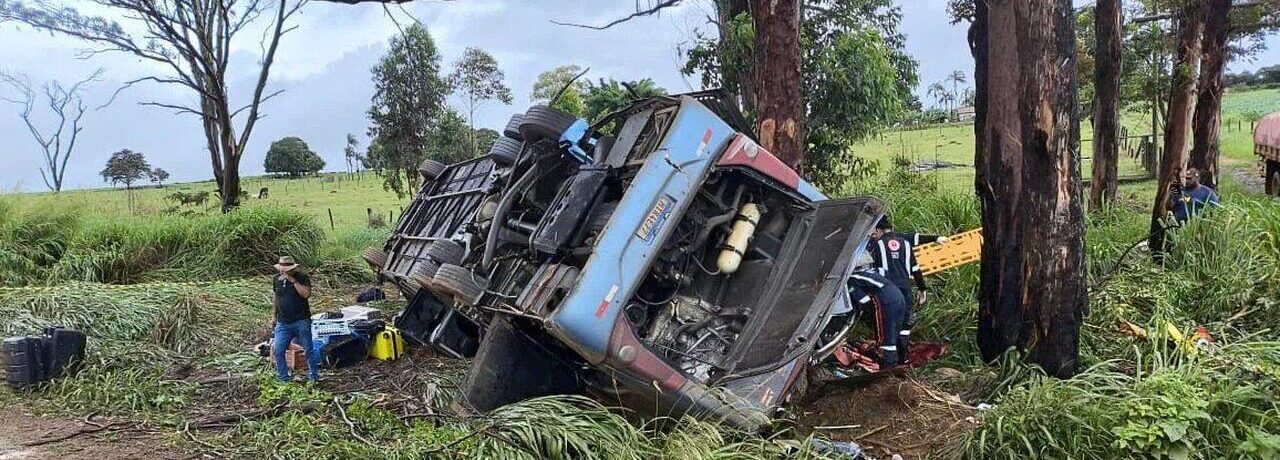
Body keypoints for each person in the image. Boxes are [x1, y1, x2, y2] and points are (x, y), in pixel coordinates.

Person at [869, 215, 947, 363]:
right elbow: (915, 268)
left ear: (878, 230)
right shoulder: (904, 242)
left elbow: (874, 270)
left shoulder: (876, 245)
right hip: (905, 290)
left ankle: (889, 364)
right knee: (904, 325)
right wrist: (922, 289)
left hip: (887, 290)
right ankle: (903, 359)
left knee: (889, 326)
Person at [846, 254, 909, 367]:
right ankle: (903, 359)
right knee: (896, 330)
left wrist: (869, 317)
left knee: (885, 335)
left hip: (885, 300)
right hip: (899, 295)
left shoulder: (851, 280)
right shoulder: (874, 271)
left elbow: (864, 301)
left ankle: (888, 365)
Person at [271, 255, 318, 382]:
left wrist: (293, 281)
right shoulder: (276, 279)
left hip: (301, 320)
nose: (284, 272)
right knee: (278, 350)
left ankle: (314, 376)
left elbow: (306, 294)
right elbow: (276, 297)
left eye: (287, 270)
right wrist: (274, 316)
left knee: (308, 349)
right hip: (283, 322)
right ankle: (283, 378)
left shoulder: (302, 278)